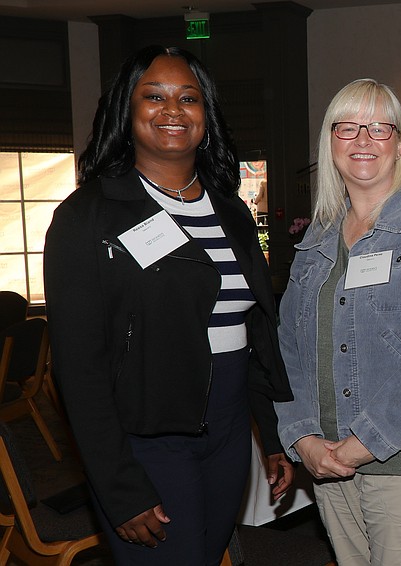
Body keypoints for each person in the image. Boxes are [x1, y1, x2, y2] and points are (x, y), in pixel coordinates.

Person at [43, 45, 294, 565]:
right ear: (126, 110)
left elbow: (252, 333)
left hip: (226, 433)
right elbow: (79, 367)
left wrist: (272, 436)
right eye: (153, 96)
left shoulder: (232, 212)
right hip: (146, 437)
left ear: (207, 115)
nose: (173, 110)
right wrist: (119, 487)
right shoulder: (88, 216)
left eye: (189, 98)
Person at [274, 78, 401, 566]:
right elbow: (289, 349)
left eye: (379, 128)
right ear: (330, 143)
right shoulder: (318, 238)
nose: (363, 140)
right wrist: (304, 437)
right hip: (330, 461)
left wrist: (361, 445)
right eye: (347, 128)